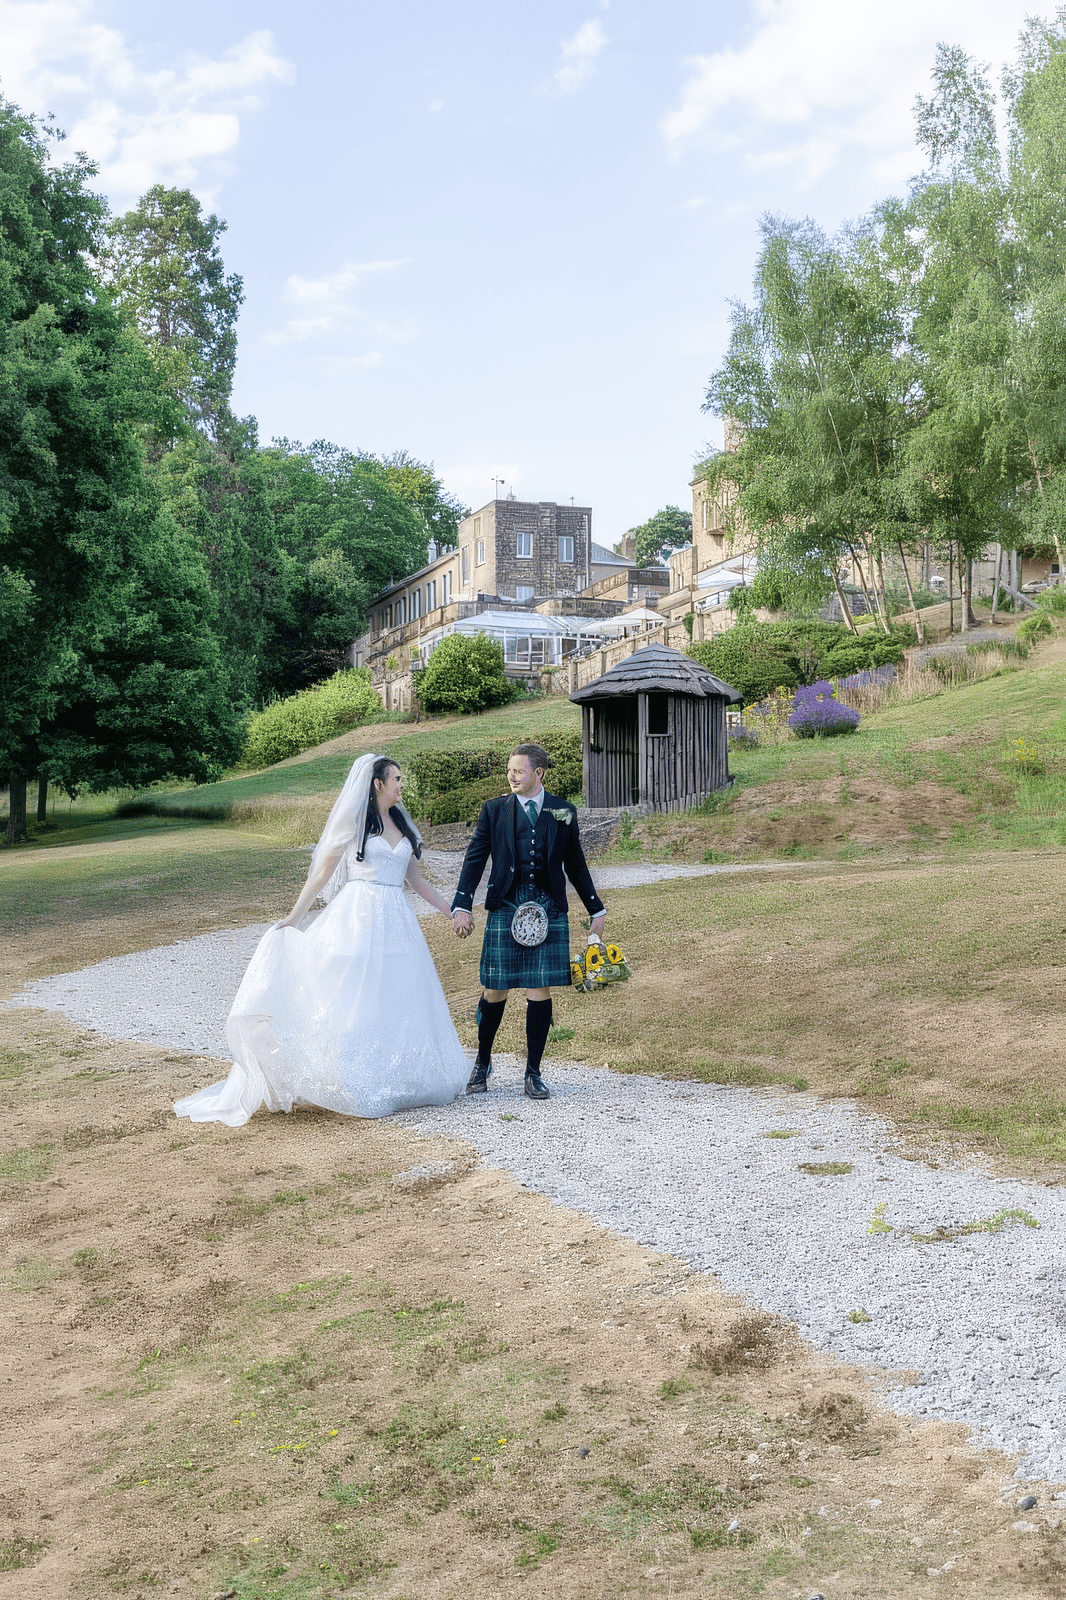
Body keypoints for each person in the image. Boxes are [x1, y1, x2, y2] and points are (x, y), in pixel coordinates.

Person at [174, 754, 469, 1127]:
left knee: (398, 994)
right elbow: (320, 875)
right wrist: (295, 919)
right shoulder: (355, 823)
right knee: (352, 993)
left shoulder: (403, 822)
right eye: (395, 778)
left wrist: (452, 912)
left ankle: (399, 1077)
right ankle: (351, 1076)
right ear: (377, 783)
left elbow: (418, 881)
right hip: (358, 916)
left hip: (398, 920)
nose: (400, 784)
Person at [451, 742, 605, 1101]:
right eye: (509, 770)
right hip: (506, 903)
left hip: (547, 907)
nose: (512, 776)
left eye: (519, 771)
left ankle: (533, 1072)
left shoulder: (563, 811)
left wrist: (595, 909)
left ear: (538, 773)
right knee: (495, 989)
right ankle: (482, 1061)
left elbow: (576, 863)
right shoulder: (494, 810)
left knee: (539, 990)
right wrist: (462, 905)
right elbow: (474, 860)